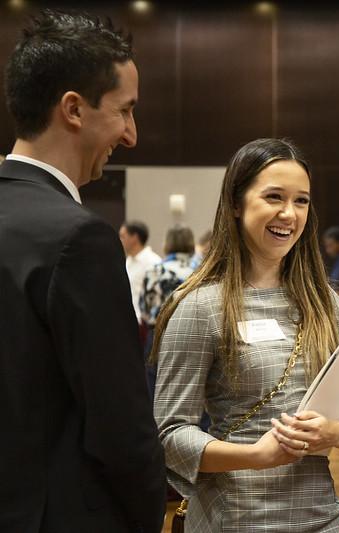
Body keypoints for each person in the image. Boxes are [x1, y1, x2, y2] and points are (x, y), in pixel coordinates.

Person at [153, 138, 339, 532]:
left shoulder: (324, 303)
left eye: (302, 201)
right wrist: (256, 455)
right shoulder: (199, 305)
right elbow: (170, 434)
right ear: (235, 203)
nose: (288, 214)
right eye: (274, 196)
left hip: (324, 517)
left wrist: (335, 432)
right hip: (235, 517)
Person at [0, 10, 165, 532]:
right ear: (73, 108)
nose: (132, 134)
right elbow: (119, 425)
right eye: (125, 111)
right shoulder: (80, 239)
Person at [140, 225, 196, 399]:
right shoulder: (202, 270)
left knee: (156, 390)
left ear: (167, 243)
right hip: (194, 334)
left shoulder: (156, 271)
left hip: (159, 334)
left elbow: (145, 309)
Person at [120, 219, 162, 321]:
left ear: (134, 238)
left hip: (143, 324)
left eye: (123, 236)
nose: (120, 240)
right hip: (127, 321)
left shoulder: (154, 262)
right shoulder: (127, 261)